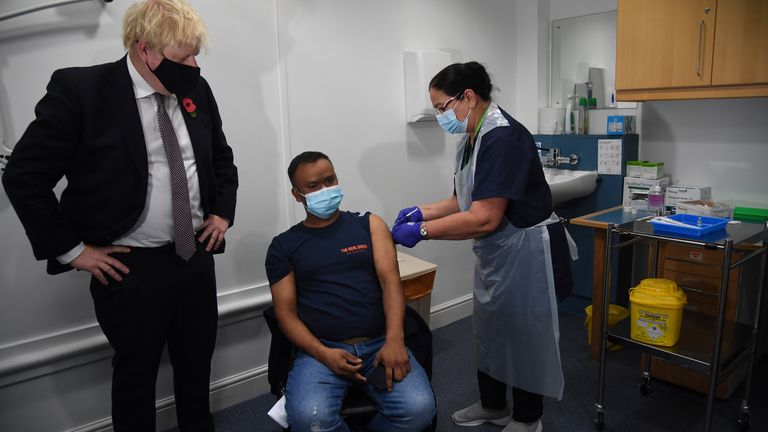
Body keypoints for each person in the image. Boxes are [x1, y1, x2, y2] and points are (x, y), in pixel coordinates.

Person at [2, 1, 238, 430]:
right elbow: (24, 176)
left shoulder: (195, 91)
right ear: (145, 49)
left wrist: (222, 212)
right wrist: (74, 251)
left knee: (195, 368)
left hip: (195, 257)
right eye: (183, 57)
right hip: (130, 268)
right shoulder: (82, 91)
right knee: (136, 375)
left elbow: (220, 158)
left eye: (195, 54)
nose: (194, 65)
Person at [391, 62, 576, 432]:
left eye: (442, 108)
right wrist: (419, 211)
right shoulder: (471, 137)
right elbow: (462, 200)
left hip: (527, 248)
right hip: (498, 250)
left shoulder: (502, 138)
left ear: (468, 98)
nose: (442, 117)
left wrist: (423, 232)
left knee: (524, 335)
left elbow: (484, 217)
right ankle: (493, 405)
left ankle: (527, 418)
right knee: (490, 329)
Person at [265, 151, 435, 432]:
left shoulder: (369, 225)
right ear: (297, 195)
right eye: (313, 186)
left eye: (330, 180)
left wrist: (394, 340)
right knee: (310, 419)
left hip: (380, 343)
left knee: (419, 411)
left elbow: (391, 283)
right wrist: (322, 353)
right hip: (322, 349)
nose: (325, 190)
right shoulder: (284, 245)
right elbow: (285, 314)